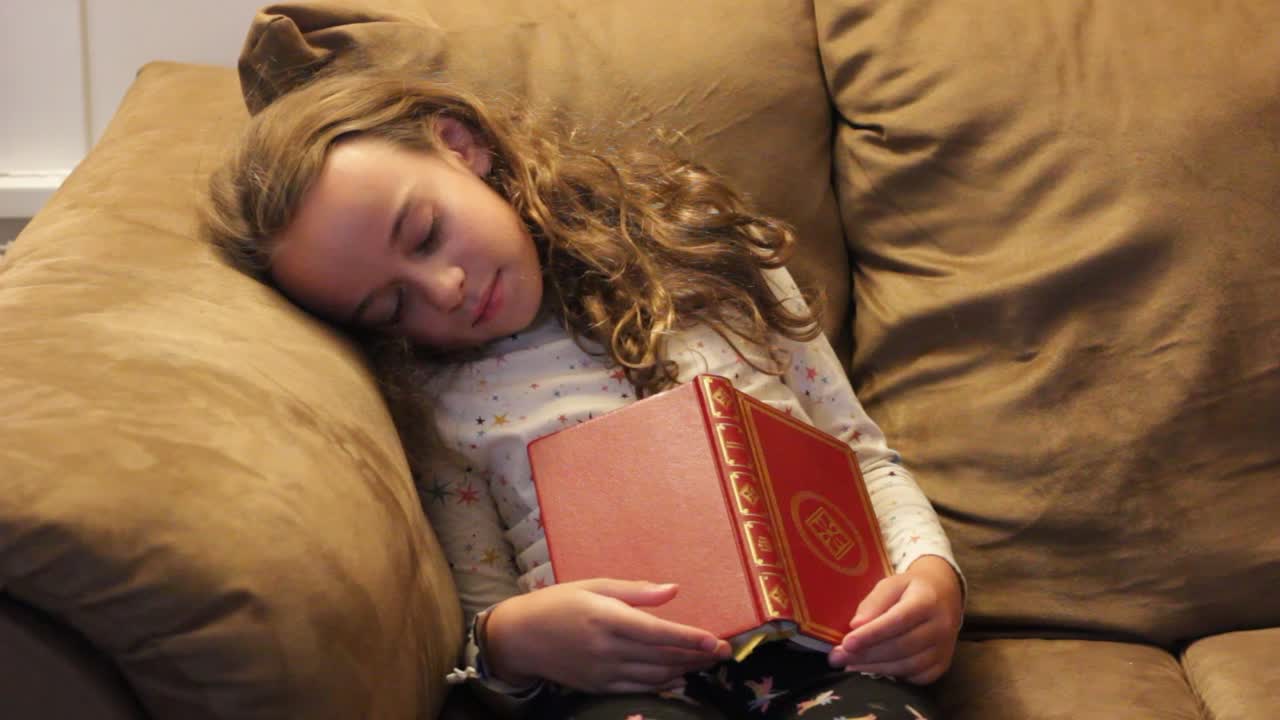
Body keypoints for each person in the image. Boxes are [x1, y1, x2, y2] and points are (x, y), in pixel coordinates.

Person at [203, 67, 964, 720]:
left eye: (428, 233)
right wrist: (515, 639)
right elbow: (483, 617)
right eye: (390, 307)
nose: (445, 290)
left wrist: (932, 576)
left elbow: (861, 455)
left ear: (459, 146)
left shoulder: (713, 259)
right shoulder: (438, 404)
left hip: (830, 645)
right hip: (632, 688)